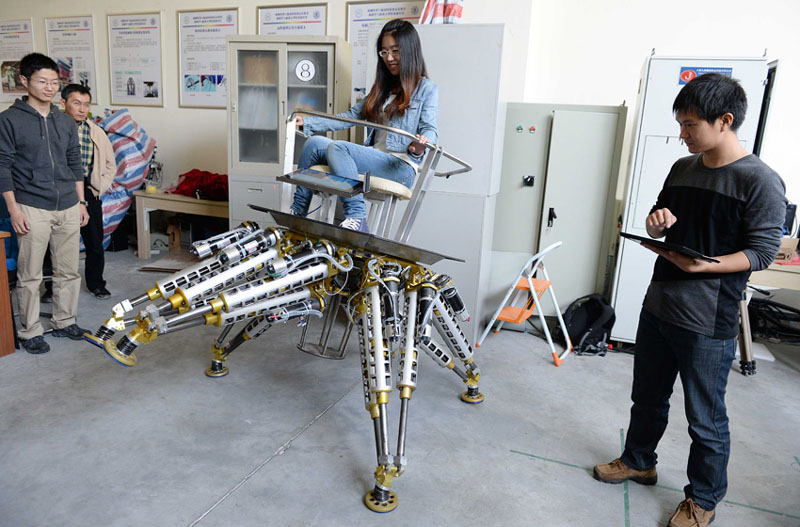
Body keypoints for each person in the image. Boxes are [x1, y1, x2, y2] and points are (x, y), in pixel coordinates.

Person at [593, 73, 786, 527]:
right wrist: (656, 224)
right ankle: (639, 461)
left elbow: (760, 253)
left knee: (705, 418)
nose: (681, 134)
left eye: (689, 125)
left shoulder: (760, 181)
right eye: (680, 123)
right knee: (647, 398)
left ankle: (703, 498)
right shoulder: (683, 168)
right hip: (660, 304)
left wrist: (707, 266)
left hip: (708, 319)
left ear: (725, 121)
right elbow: (662, 221)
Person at [290, 18, 438, 233]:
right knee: (314, 144)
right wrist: (309, 122)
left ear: (409, 50)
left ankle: (357, 217)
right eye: (384, 52)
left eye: (395, 51)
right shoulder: (383, 89)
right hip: (374, 158)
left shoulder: (426, 89)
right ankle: (298, 212)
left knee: (339, 148)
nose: (389, 58)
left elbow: (430, 128)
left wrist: (422, 145)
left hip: (400, 166)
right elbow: (350, 116)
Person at [0, 53, 90, 354]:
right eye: (42, 81)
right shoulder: (9, 120)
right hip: (30, 205)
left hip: (67, 202)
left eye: (54, 82)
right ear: (24, 81)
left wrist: (81, 202)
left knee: (69, 270)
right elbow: (3, 166)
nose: (50, 88)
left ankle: (65, 321)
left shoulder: (64, 120)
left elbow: (74, 162)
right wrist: (14, 209)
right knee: (30, 274)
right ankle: (29, 331)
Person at [61, 83, 117, 299]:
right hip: (63, 189)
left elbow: (111, 165)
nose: (82, 109)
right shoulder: (56, 128)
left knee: (94, 241)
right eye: (77, 103)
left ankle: (96, 283)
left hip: (88, 188)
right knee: (57, 241)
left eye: (86, 104)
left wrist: (98, 187)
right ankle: (51, 288)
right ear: (63, 103)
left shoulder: (96, 131)